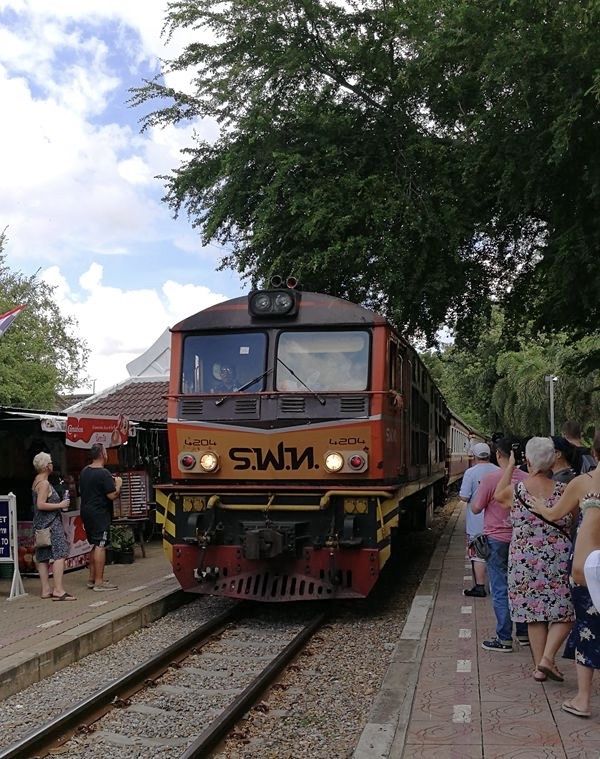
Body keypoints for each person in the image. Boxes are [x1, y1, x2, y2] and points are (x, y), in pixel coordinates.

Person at [494, 437, 574, 683]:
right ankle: (547, 659)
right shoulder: (564, 491)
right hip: (558, 560)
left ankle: (541, 665)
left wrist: (510, 467)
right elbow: (572, 519)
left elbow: (498, 495)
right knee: (565, 613)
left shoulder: (515, 492)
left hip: (524, 561)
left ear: (527, 461)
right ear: (552, 461)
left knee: (534, 615)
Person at [531, 434, 600, 717]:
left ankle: (583, 700)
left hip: (586, 565)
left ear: (595, 452)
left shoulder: (583, 483)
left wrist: (539, 507)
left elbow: (555, 513)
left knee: (587, 627)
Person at [471, 437, 529, 651]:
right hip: (522, 539)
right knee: (520, 585)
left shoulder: (491, 478)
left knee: (500, 587)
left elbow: (476, 508)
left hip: (496, 539)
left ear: (498, 455)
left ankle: (504, 637)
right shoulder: (527, 478)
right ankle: (524, 634)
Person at [31, 452, 76, 601]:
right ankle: (58, 590)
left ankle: (45, 590)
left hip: (40, 524)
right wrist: (60, 505)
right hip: (51, 524)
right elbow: (41, 504)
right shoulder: (44, 484)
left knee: (43, 556)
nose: (52, 464)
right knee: (60, 554)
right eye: (50, 462)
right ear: (45, 466)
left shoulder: (36, 481)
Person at [79, 443, 122, 591]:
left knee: (94, 543)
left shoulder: (84, 471)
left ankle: (91, 578)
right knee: (101, 545)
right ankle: (99, 581)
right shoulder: (104, 473)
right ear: (103, 454)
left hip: (86, 511)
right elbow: (111, 495)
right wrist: (118, 485)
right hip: (99, 513)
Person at [459, 442, 499, 597]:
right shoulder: (500, 471)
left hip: (476, 521)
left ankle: (480, 586)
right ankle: (497, 586)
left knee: (478, 553)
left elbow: (464, 496)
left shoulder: (471, 472)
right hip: (497, 520)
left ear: (474, 456)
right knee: (496, 553)